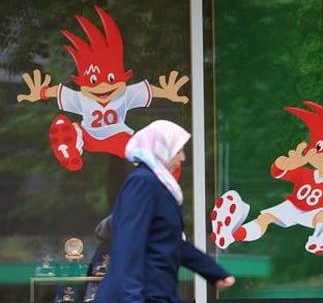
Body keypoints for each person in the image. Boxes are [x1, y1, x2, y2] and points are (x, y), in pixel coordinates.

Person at [95, 120, 235, 302]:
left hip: (157, 293)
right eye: (178, 151)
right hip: (142, 295)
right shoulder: (143, 183)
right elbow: (129, 244)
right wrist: (132, 298)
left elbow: (171, 242)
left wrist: (214, 273)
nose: (183, 158)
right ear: (161, 151)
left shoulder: (159, 186)